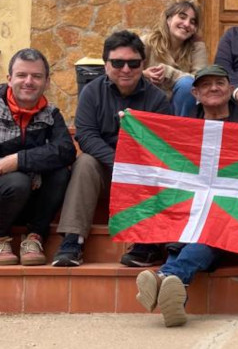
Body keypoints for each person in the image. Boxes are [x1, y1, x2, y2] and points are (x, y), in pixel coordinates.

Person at [135, 65, 238, 327]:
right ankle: (174, 281)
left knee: (211, 227)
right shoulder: (183, 130)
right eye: (206, 85)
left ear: (230, 89)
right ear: (195, 93)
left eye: (220, 83)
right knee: (195, 228)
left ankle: (166, 275)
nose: (214, 88)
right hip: (190, 209)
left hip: (232, 210)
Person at [52, 31, 171, 268]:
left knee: (159, 168)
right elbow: (85, 136)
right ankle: (72, 241)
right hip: (106, 172)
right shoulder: (91, 93)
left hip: (142, 175)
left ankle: (146, 244)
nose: (125, 69)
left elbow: (162, 145)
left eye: (133, 63)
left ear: (143, 65)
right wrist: (118, 162)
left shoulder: (158, 100)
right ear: (106, 65)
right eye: (117, 63)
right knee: (84, 161)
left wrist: (131, 165)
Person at [0, 48, 76, 266]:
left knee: (59, 172)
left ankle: (35, 237)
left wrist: (19, 160)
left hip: (28, 203)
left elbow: (65, 150)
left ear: (47, 82)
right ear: (9, 79)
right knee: (17, 181)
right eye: (22, 75)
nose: (29, 81)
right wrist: (21, 171)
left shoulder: (51, 114)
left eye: (36, 76)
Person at [142, 0, 208, 117]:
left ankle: (179, 130)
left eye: (193, 22)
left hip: (180, 109)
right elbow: (129, 71)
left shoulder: (197, 48)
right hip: (147, 104)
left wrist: (169, 73)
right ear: (168, 19)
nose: (187, 24)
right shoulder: (147, 42)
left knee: (188, 84)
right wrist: (144, 74)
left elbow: (200, 81)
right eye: (182, 17)